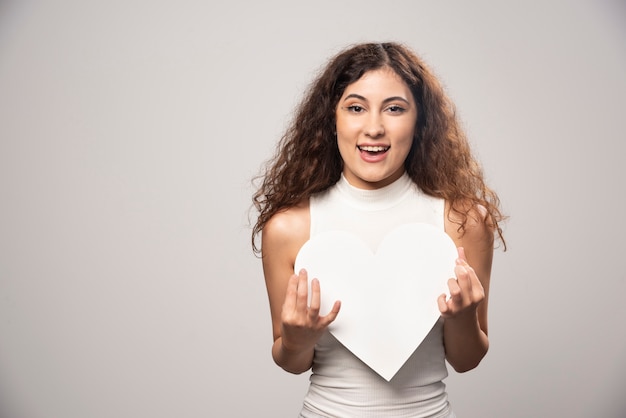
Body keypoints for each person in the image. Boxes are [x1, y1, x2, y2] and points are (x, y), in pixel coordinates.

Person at [252, 42, 506, 417]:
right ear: (331, 119)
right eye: (356, 108)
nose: (374, 127)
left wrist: (463, 318)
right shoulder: (289, 229)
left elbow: (466, 360)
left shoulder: (463, 221)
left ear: (420, 122)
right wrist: (295, 340)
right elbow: (291, 361)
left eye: (394, 109)